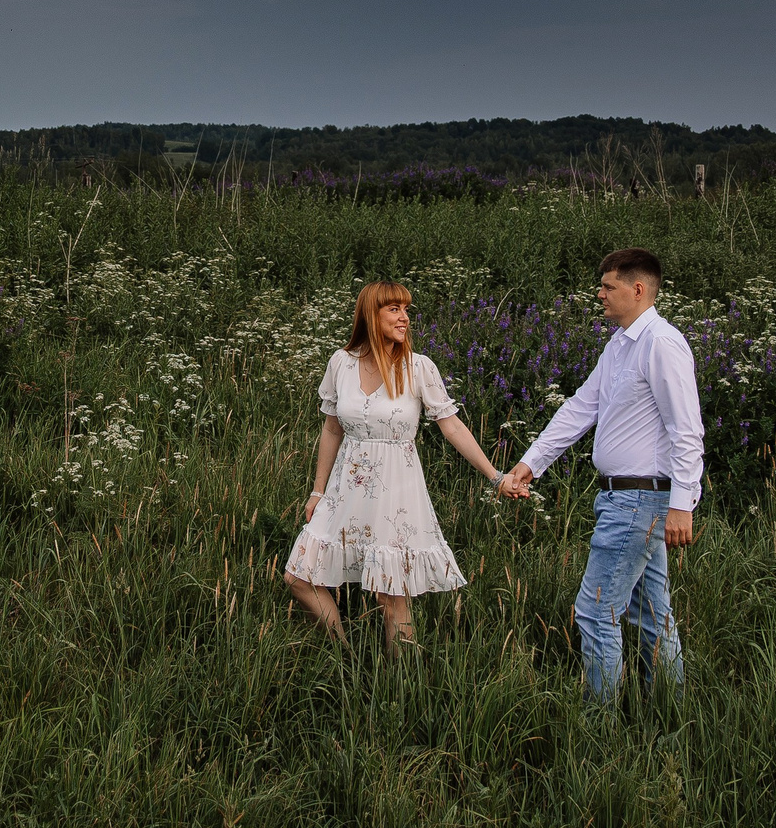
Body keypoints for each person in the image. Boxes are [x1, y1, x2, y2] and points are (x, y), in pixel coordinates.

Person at [499, 248, 704, 701]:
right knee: (652, 615)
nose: (600, 294)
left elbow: (687, 431)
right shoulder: (620, 344)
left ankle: (598, 732)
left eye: (609, 286)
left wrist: (682, 505)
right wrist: (531, 462)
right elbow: (580, 408)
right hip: (623, 499)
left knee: (594, 614)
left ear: (638, 289)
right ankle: (669, 713)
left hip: (640, 501)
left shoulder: (661, 344)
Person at [284, 280, 507, 649]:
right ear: (371, 315)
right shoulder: (341, 363)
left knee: (391, 597)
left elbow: (451, 425)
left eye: (406, 310)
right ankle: (344, 657)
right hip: (344, 490)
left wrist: (495, 476)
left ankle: (398, 686)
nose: (405, 318)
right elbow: (331, 428)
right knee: (299, 578)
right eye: (394, 310)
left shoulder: (418, 367)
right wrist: (317, 490)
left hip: (396, 493)